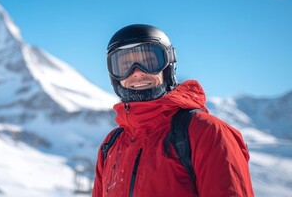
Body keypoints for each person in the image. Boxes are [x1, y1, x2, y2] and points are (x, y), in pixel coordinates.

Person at [92, 24, 254, 196]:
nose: (137, 72)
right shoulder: (111, 145)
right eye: (125, 66)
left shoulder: (206, 132)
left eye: (148, 62)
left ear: (167, 66)